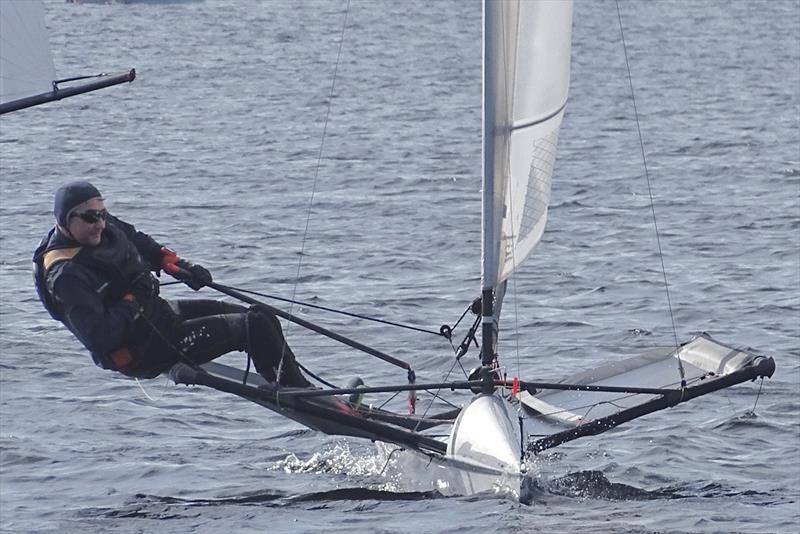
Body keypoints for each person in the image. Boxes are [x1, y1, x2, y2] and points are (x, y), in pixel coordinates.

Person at [32, 180, 312, 387]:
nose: (100, 223)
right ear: (65, 221)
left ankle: (297, 386)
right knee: (253, 327)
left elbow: (134, 238)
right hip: (142, 350)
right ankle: (297, 393)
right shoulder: (65, 275)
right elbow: (100, 337)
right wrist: (133, 300)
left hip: (158, 317)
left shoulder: (98, 224)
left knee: (261, 313)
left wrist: (176, 265)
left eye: (103, 213)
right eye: (92, 217)